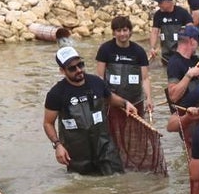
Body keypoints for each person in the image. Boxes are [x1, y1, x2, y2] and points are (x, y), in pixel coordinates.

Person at [43, 46, 134, 175]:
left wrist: (125, 103)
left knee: (117, 179)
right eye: (72, 68)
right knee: (84, 187)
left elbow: (109, 98)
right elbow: (48, 123)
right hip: (77, 152)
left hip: (104, 146)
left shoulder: (96, 82)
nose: (79, 70)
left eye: (80, 64)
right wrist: (57, 145)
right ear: (62, 71)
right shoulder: (56, 93)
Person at [96, 16, 152, 113]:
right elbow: (100, 77)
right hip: (112, 102)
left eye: (125, 30)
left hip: (136, 101)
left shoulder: (139, 51)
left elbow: (145, 78)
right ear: (113, 32)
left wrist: (149, 98)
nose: (122, 34)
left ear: (130, 32)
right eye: (118, 30)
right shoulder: (105, 49)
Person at [149, 0, 194, 64]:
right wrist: (152, 47)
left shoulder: (182, 13)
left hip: (181, 54)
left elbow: (191, 30)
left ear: (169, 2)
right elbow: (154, 32)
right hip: (166, 54)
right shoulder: (158, 15)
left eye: (160, 3)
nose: (159, 5)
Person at [164, 24, 199, 107]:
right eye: (198, 43)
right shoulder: (174, 63)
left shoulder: (194, 59)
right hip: (186, 111)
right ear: (192, 41)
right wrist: (189, 75)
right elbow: (173, 97)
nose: (198, 46)